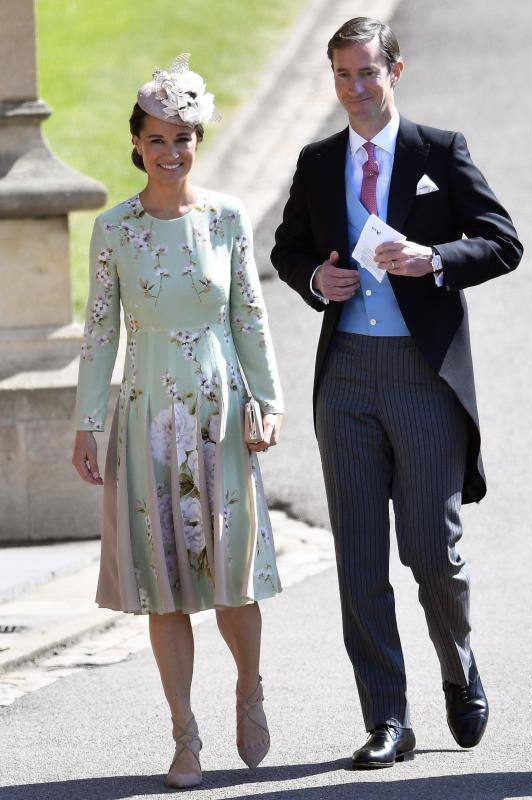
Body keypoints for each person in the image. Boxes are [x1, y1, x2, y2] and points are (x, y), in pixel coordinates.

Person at [271, 17, 522, 769]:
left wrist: (432, 258)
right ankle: (388, 718)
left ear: (395, 72)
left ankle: (460, 662)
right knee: (359, 558)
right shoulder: (319, 161)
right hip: (344, 374)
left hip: (423, 377)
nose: (355, 90)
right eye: (342, 76)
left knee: (430, 552)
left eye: (367, 74)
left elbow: (503, 240)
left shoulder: (438, 152)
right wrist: (316, 279)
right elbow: (285, 246)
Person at [72, 55, 284, 788]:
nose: (171, 153)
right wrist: (86, 422)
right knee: (165, 583)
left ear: (199, 141)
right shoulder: (114, 230)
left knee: (233, 575)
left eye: (184, 138)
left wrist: (269, 399)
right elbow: (101, 332)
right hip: (145, 413)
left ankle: (249, 688)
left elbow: (248, 315)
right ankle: (184, 737)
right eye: (157, 139)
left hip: (221, 411)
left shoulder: (226, 218)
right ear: (136, 143)